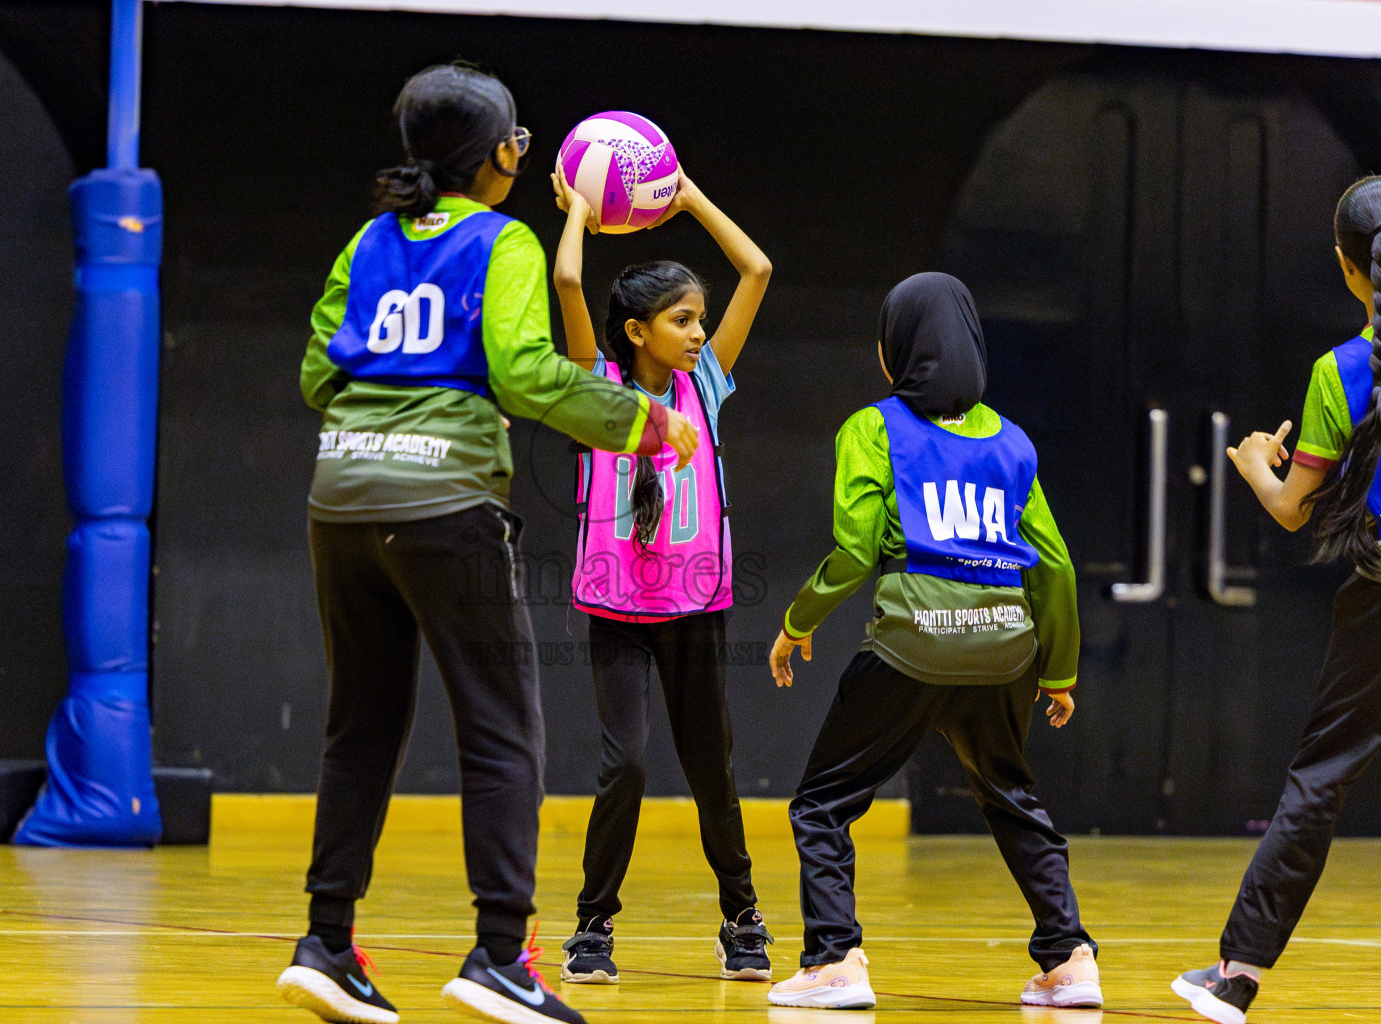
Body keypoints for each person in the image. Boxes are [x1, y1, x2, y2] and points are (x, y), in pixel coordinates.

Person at [274, 63, 699, 1024]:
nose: (525, 153)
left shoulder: (368, 241)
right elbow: (528, 375)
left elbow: (314, 374)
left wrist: (387, 406)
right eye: (519, 138)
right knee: (504, 729)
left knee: (359, 725)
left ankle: (326, 941)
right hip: (443, 501)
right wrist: (641, 419)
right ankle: (500, 954)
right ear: (497, 155)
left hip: (339, 497)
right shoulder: (502, 241)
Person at [766, 273, 1101, 1011]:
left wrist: (798, 624)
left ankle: (833, 960)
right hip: (1005, 646)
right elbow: (1056, 566)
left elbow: (854, 553)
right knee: (1012, 796)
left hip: (914, 641)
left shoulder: (873, 427)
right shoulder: (1011, 441)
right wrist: (1059, 673)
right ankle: (1070, 959)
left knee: (822, 804)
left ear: (894, 352)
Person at [547, 168, 775, 985]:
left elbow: (758, 270)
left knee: (712, 764)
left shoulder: (703, 387)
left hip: (696, 607)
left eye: (699, 321)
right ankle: (593, 928)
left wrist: (688, 199)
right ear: (637, 331)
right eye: (682, 321)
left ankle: (742, 916)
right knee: (628, 765)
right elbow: (570, 278)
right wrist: (578, 209)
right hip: (616, 608)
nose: (696, 333)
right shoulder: (595, 391)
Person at [1172, 175, 1381, 1024]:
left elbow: (1296, 506)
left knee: (1320, 781)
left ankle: (1237, 976)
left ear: (1347, 268)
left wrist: (1257, 460)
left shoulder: (1343, 373)